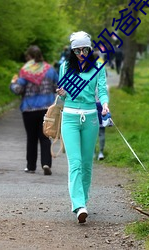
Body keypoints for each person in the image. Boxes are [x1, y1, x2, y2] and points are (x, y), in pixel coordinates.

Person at [56, 31, 109, 223]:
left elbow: (102, 90)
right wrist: (61, 92)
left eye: (84, 49)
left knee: (87, 164)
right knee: (75, 163)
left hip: (91, 118)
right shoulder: (65, 67)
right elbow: (62, 96)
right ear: (72, 50)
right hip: (69, 117)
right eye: (76, 50)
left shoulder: (98, 67)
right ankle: (78, 205)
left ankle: (83, 201)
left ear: (90, 48)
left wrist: (105, 104)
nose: (81, 53)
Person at [10, 45, 58, 175]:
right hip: (46, 109)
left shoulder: (25, 71)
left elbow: (18, 90)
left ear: (29, 57)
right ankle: (46, 163)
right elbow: (57, 87)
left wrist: (13, 83)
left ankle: (31, 167)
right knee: (45, 137)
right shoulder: (50, 70)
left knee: (31, 138)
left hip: (29, 109)